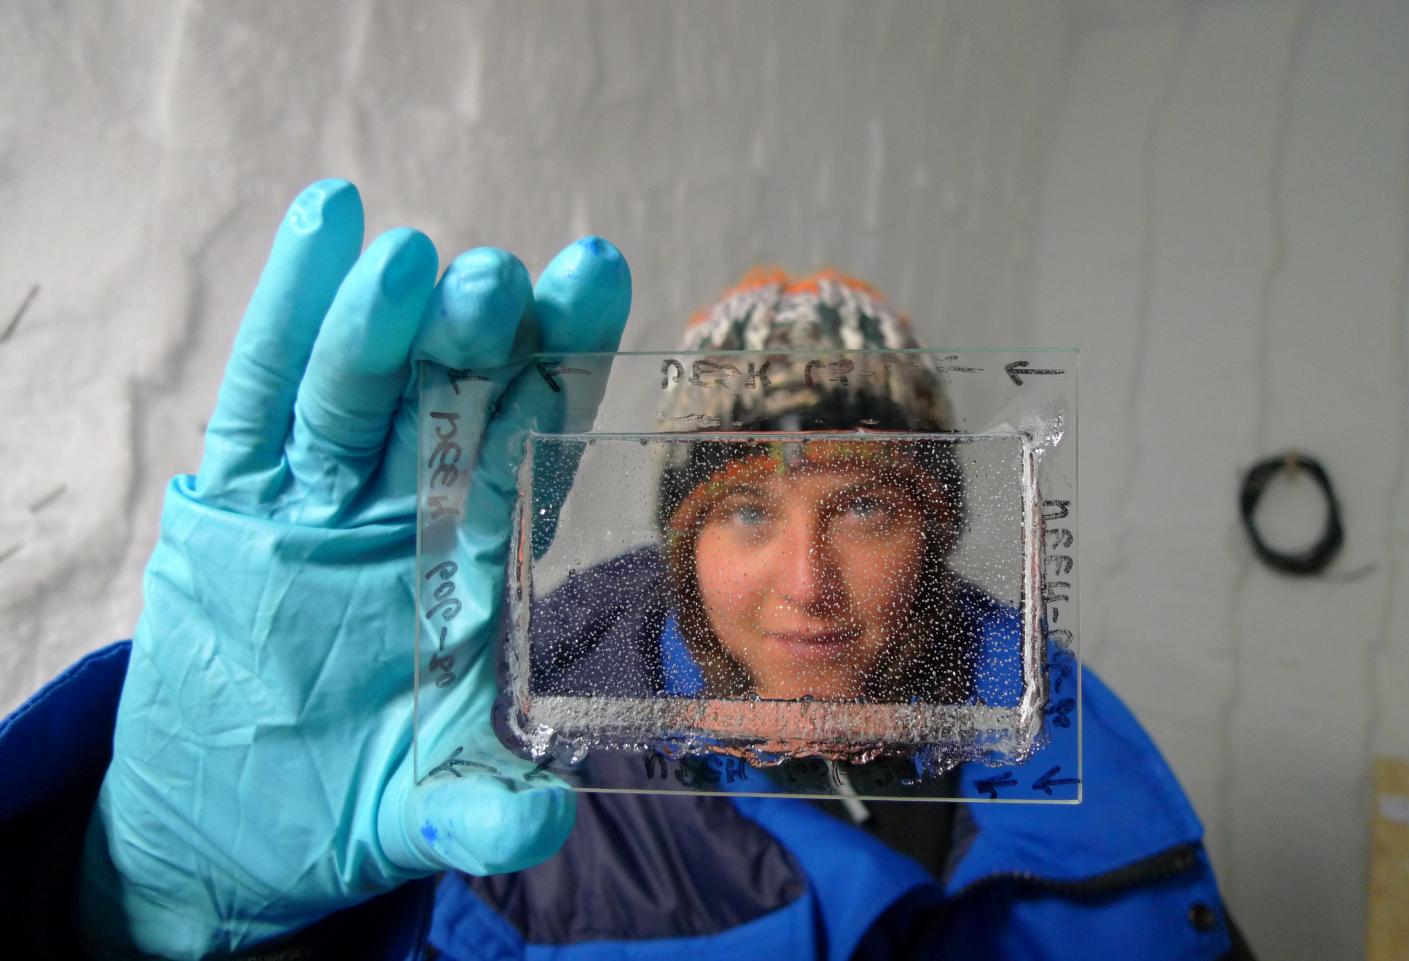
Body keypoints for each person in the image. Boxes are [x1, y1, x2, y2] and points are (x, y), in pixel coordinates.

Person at [0, 181, 1252, 959]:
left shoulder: (1078, 748)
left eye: (864, 504)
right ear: (679, 542)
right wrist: (117, 909)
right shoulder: (513, 778)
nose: (807, 582)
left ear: (936, 527)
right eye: (747, 509)